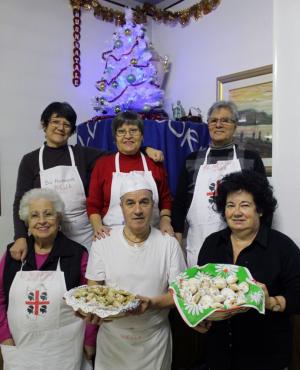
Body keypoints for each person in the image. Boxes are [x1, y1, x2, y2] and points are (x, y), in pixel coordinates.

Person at [11, 102, 163, 259]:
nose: (60, 128)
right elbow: (19, 201)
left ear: (71, 131)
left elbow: (123, 152)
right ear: (44, 124)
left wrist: (146, 149)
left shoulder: (81, 154)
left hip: (83, 235)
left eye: (67, 124)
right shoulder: (30, 160)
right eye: (55, 122)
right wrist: (20, 237)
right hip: (46, 233)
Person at [195, 170, 300, 370]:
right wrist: (199, 318)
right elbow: (200, 290)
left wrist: (271, 302)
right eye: (230, 205)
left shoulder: (282, 247)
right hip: (218, 358)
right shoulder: (212, 244)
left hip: (266, 359)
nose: (236, 212)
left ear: (259, 209)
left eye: (245, 205)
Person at [84, 173, 186, 370]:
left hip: (153, 341)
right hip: (113, 342)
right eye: (130, 203)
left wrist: (151, 303)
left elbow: (180, 294)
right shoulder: (103, 242)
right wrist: (90, 309)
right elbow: (92, 289)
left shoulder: (168, 244)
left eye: (144, 202)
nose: (137, 210)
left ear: (153, 206)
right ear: (121, 207)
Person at [0, 188, 96, 370]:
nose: (42, 221)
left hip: (65, 353)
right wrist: (4, 336)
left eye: (48, 214)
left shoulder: (77, 254)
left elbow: (90, 301)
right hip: (20, 351)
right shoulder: (13, 254)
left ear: (58, 218)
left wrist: (90, 340)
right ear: (27, 222)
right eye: (35, 215)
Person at [172, 100, 266, 267]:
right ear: (208, 125)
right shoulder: (192, 160)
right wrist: (177, 235)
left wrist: (262, 242)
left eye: (225, 120)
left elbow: (263, 202)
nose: (218, 125)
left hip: (242, 245)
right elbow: (179, 202)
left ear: (235, 126)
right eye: (214, 120)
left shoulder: (250, 158)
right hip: (198, 242)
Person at [87, 111, 174, 240]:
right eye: (121, 131)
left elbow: (165, 199)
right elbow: (93, 204)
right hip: (112, 236)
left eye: (133, 130)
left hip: (152, 235)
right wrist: (97, 226)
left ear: (142, 136)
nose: (128, 136)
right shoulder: (103, 165)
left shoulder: (154, 163)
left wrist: (165, 220)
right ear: (115, 137)